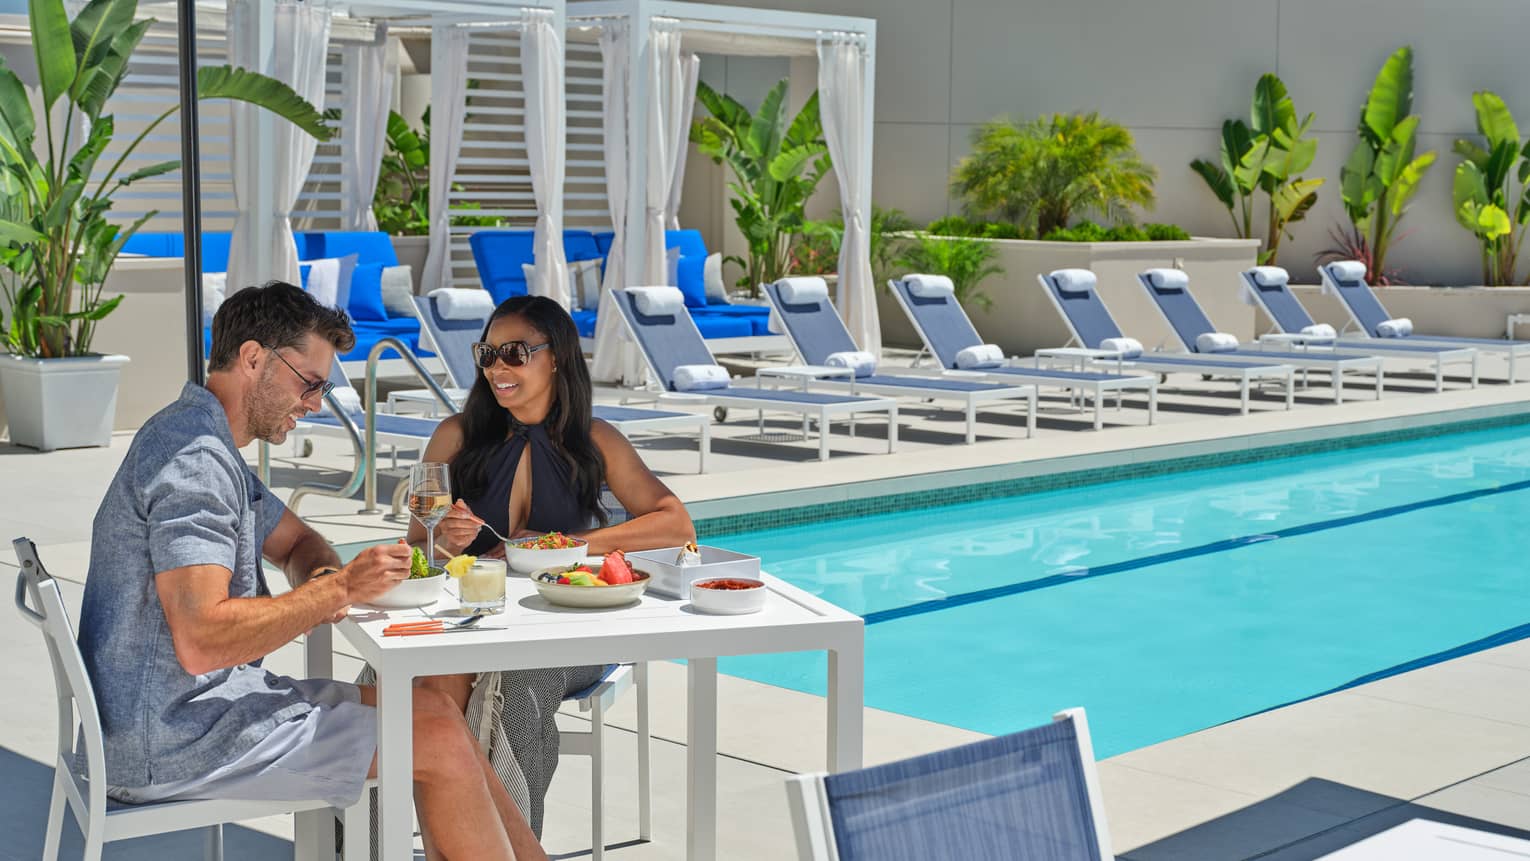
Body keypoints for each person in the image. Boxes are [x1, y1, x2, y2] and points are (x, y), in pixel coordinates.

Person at [76, 282, 546, 861]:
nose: (316, 404)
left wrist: (324, 580)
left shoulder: (197, 436)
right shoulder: (194, 463)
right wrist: (341, 589)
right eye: (310, 383)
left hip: (181, 713)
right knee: (439, 739)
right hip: (172, 740)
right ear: (254, 358)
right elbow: (202, 639)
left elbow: (297, 539)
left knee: (436, 712)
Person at [402, 294, 695, 835]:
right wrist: (446, 541)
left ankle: (493, 841)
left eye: (514, 353)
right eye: (487, 354)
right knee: (415, 678)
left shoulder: (595, 440)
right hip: (477, 620)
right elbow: (420, 552)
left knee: (511, 685)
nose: (497, 368)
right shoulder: (456, 437)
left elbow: (677, 525)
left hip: (571, 625)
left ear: (555, 357)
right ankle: (456, 841)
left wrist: (568, 545)